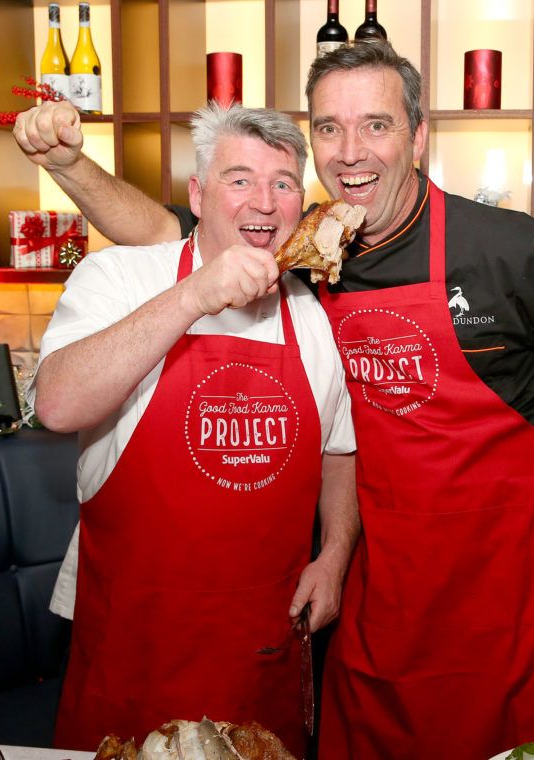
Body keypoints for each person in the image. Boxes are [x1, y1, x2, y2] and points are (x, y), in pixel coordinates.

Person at [15, 43, 534, 759]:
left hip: (508, 585)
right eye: (330, 129)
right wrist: (71, 167)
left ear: (416, 136)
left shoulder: (504, 250)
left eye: (376, 125)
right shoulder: (307, 246)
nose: (351, 152)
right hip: (385, 589)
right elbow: (171, 236)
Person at [28, 102, 357, 756]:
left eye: (284, 183)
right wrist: (195, 295)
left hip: (257, 663)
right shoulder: (120, 276)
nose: (263, 200)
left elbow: (339, 452)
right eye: (239, 179)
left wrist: (336, 556)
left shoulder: (310, 314)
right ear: (198, 196)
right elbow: (57, 403)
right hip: (134, 655)